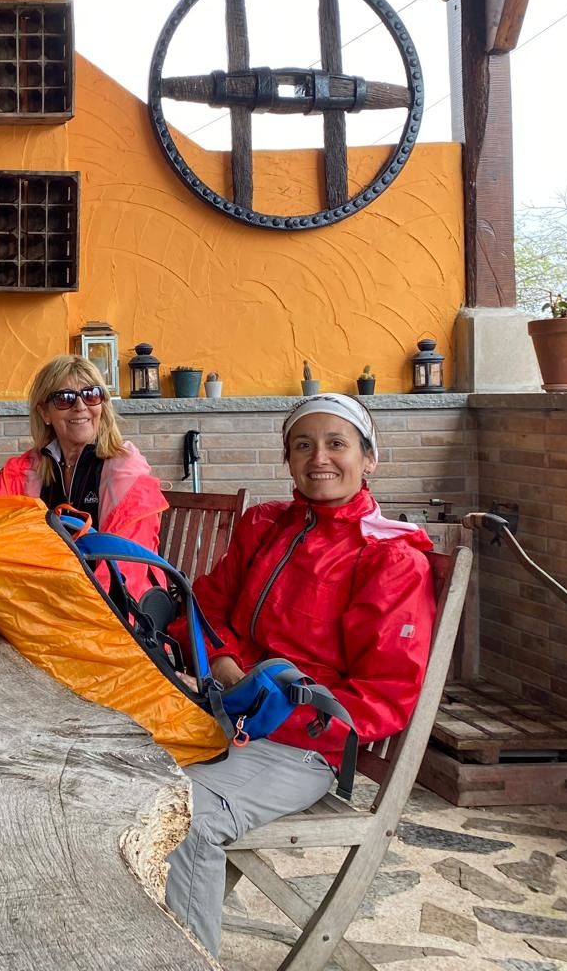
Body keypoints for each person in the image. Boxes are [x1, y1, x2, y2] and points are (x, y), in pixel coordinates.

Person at [163, 393, 435, 957]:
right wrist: (227, 667)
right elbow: (205, 608)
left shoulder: (388, 558)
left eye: (338, 444)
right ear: (287, 460)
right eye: (303, 445)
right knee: (94, 775)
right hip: (221, 715)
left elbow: (383, 697)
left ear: (369, 459)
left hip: (303, 750)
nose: (320, 459)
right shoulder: (266, 526)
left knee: (178, 820)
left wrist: (273, 713)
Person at [0, 354, 167, 589]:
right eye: (65, 398)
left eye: (91, 395)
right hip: (55, 602)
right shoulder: (31, 469)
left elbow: (125, 573)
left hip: (126, 621)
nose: (80, 406)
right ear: (45, 413)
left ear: (102, 405)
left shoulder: (127, 475)